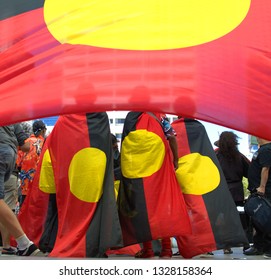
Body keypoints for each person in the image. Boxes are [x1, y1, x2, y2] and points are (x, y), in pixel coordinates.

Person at [0, 123, 42, 256]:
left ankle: (24, 243)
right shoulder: (9, 112)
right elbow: (25, 146)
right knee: (6, 203)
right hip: (10, 157)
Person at [215, 131, 251, 254]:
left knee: (223, 219)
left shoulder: (216, 155)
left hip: (221, 192)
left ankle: (226, 245)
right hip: (237, 191)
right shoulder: (239, 156)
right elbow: (250, 172)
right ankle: (246, 244)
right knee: (239, 219)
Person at [244, 137, 271, 259]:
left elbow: (266, 168)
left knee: (265, 219)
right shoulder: (262, 149)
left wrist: (262, 187)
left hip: (264, 191)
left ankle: (267, 247)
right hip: (257, 191)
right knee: (258, 219)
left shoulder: (266, 149)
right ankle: (259, 246)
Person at [17, 120, 46, 206]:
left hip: (25, 182)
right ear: (43, 131)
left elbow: (18, 162)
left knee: (24, 207)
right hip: (40, 183)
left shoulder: (25, 143)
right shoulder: (45, 143)